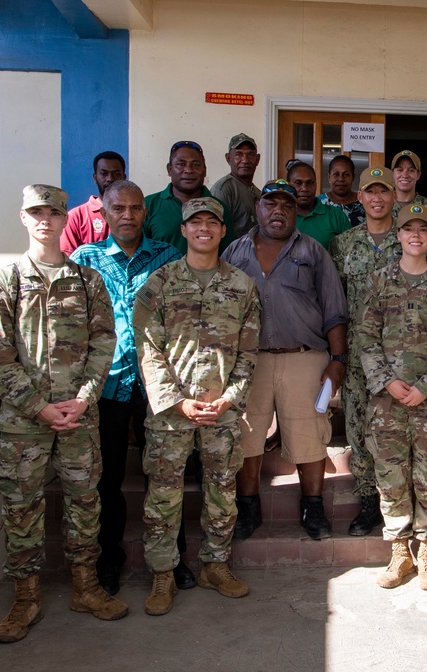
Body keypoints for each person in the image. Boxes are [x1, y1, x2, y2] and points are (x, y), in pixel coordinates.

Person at [0, 184, 127, 643]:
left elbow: (105, 343)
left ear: (67, 220)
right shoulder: (4, 281)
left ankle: (86, 586)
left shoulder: (87, 280)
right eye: (36, 212)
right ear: (23, 218)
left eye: (54, 213)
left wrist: (83, 398)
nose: (45, 220)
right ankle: (25, 597)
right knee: (22, 508)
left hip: (79, 418)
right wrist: (39, 406)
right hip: (26, 422)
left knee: (86, 503)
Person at [133, 196, 260, 616]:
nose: (204, 227)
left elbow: (248, 351)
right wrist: (176, 401)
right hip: (171, 414)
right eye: (195, 222)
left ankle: (215, 565)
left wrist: (231, 397)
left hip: (221, 411)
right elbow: (148, 349)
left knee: (222, 492)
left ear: (223, 231)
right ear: (184, 230)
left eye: (212, 222)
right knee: (164, 496)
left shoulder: (242, 285)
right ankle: (163, 574)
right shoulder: (161, 283)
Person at [70, 180, 192, 596]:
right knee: (108, 480)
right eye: (118, 208)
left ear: (145, 212)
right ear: (103, 213)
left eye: (135, 208)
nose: (127, 215)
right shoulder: (84, 260)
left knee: (164, 476)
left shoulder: (167, 257)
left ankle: (172, 559)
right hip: (106, 385)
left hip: (158, 384)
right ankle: (109, 559)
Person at [222, 180, 349, 541]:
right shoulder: (235, 251)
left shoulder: (313, 252)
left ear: (296, 212)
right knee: (247, 437)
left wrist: (337, 360)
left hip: (303, 358)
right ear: (257, 209)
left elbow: (334, 310)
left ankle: (313, 507)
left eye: (286, 206)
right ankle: (248, 507)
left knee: (310, 435)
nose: (278, 211)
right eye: (270, 204)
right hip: (249, 361)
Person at [355, 204, 427, 591]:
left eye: (423, 229)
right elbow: (365, 336)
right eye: (408, 229)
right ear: (398, 235)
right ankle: (400, 552)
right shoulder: (378, 280)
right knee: (391, 476)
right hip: (387, 402)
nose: (415, 235)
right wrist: (386, 381)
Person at [329, 166, 402, 536]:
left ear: (394, 197)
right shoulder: (344, 244)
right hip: (358, 355)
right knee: (358, 427)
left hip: (401, 354)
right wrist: (337, 355)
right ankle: (368, 500)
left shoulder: (410, 239)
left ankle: (403, 500)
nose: (377, 198)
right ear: (360, 198)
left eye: (384, 191)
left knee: (398, 429)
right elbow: (335, 302)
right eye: (370, 192)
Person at [144, 140, 231, 255]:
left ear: (205, 171)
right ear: (169, 169)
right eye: (181, 164)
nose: (189, 170)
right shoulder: (150, 204)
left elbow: (226, 256)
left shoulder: (220, 208)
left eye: (196, 165)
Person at [61, 151, 127, 256]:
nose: (110, 178)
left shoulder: (132, 215)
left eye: (116, 174)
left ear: (124, 177)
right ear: (95, 177)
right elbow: (68, 260)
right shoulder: (76, 216)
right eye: (104, 173)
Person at [289, 160, 352, 248]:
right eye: (298, 183)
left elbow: (351, 252)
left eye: (309, 183)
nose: (304, 188)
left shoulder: (336, 215)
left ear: (316, 185)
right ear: (289, 185)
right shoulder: (282, 215)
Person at [210, 132, 262, 239]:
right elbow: (215, 233)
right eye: (238, 154)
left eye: (250, 155)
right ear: (228, 158)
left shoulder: (258, 193)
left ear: (257, 160)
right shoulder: (223, 190)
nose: (245, 160)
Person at [390, 149, 427, 221]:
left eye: (411, 170)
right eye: (400, 170)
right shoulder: (382, 205)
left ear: (418, 175)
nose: (405, 175)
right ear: (392, 173)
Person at [319, 154, 366, 229]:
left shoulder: (364, 202)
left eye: (346, 175)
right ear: (329, 177)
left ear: (353, 177)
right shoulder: (319, 203)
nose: (340, 179)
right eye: (336, 174)